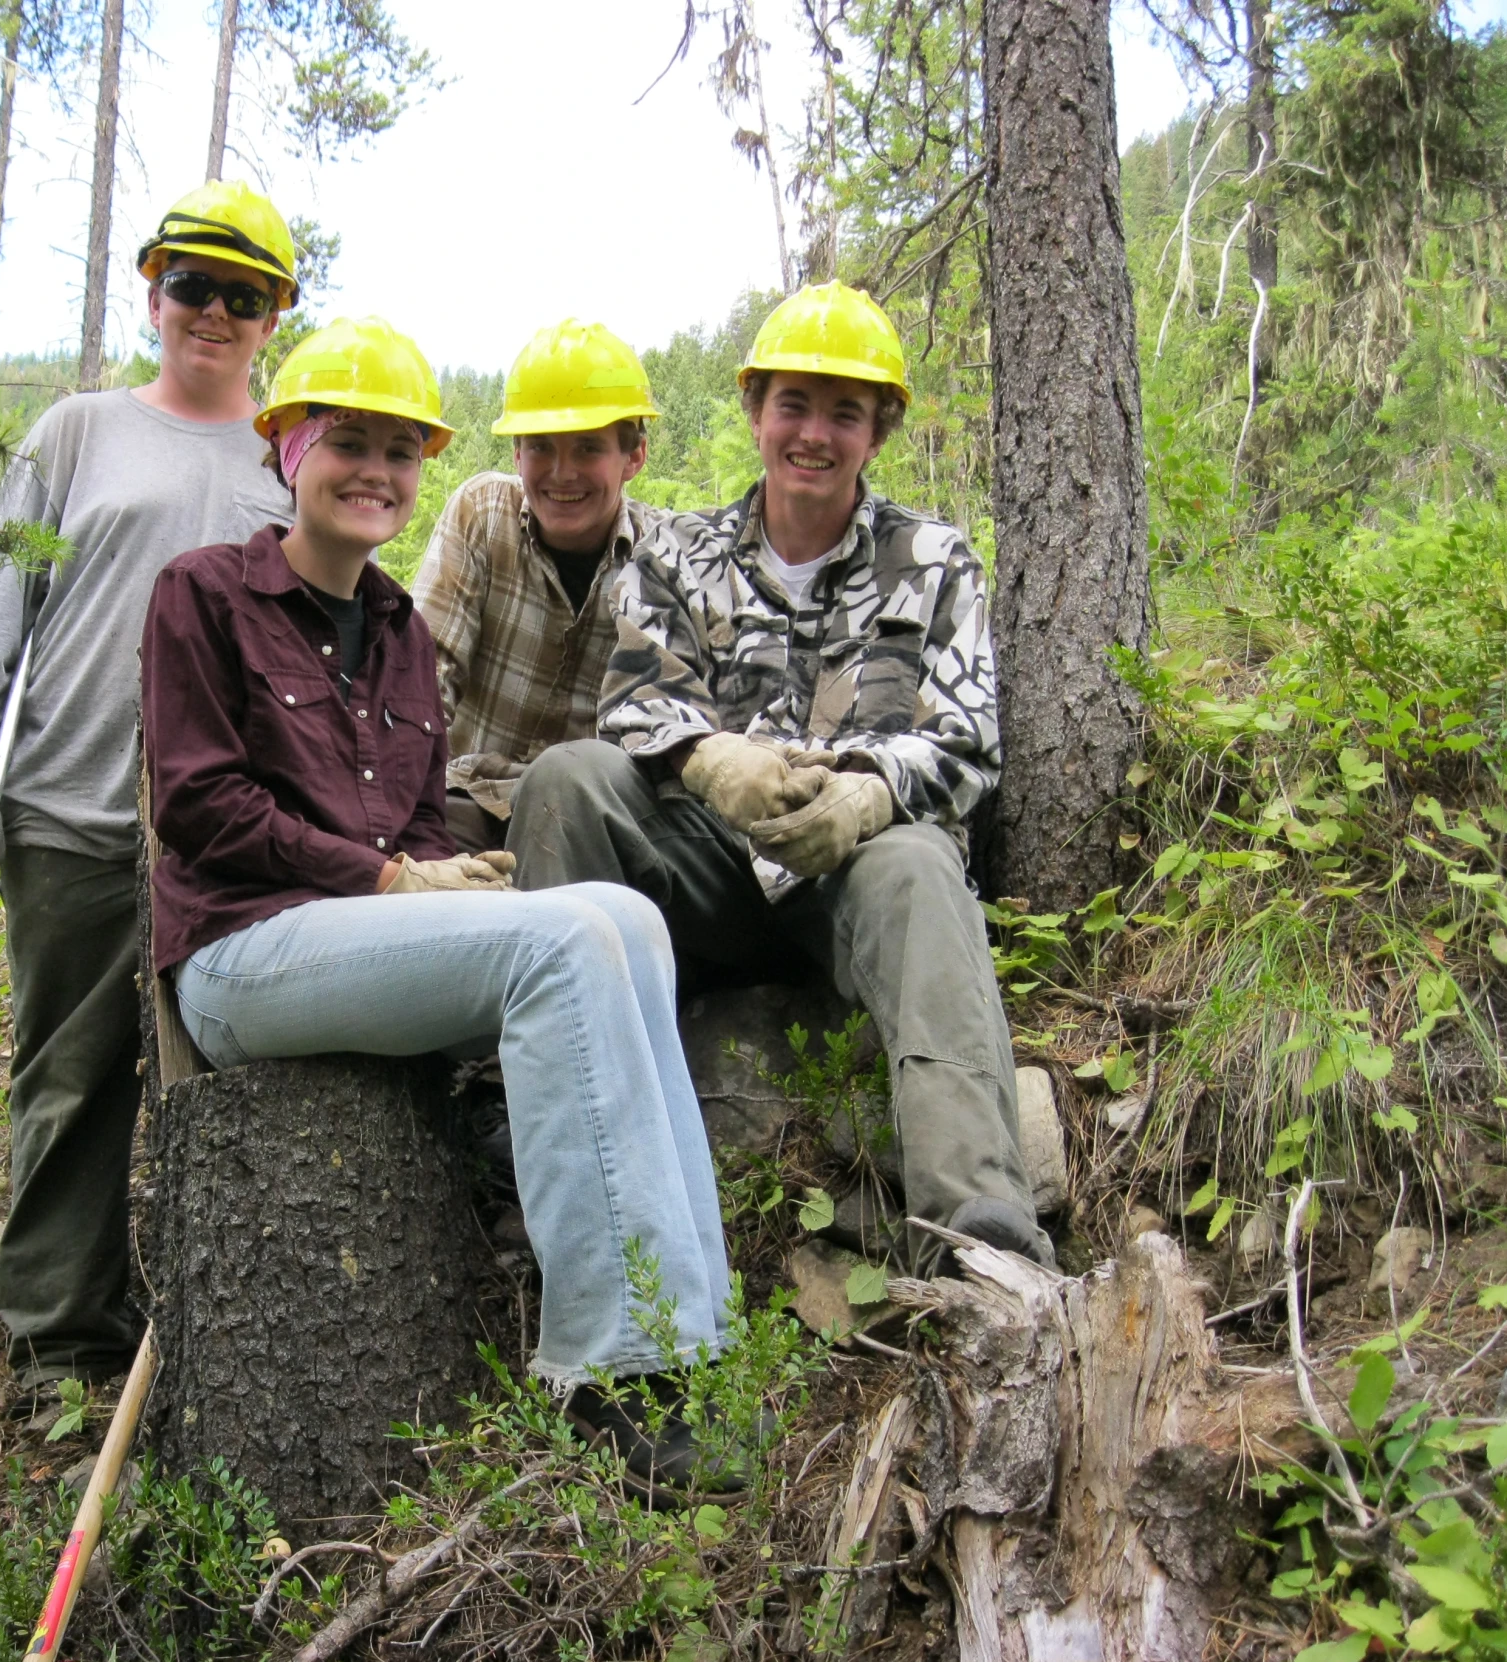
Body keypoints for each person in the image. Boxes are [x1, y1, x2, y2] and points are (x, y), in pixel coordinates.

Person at [140, 317, 740, 1493]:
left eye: (400, 451)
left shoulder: (405, 632)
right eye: (345, 441)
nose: (373, 470)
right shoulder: (205, 593)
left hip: (351, 944)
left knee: (630, 921)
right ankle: (610, 1378)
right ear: (285, 450)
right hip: (239, 954)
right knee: (566, 945)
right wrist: (386, 879)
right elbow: (199, 805)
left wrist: (438, 873)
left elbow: (417, 825)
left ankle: (695, 1338)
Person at [507, 282, 1052, 1270]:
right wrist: (714, 763)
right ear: (754, 409)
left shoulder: (930, 560)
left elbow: (969, 739)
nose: (812, 434)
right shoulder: (676, 555)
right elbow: (631, 705)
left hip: (856, 877)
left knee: (923, 867)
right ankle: (561, 1186)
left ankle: (979, 1235)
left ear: (878, 428)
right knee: (565, 783)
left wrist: (871, 793)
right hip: (707, 872)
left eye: (843, 412)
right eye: (791, 405)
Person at [0, 180, 302, 1416]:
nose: (214, 312)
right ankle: (61, 1344)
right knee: (73, 1078)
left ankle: (215, 1327)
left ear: (272, 318)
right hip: (69, 807)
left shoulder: (289, 461)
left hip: (224, 837)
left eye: (244, 297)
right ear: (152, 292)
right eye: (192, 284)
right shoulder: (76, 432)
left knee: (222, 1083)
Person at [411, 321, 663, 854]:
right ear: (516, 455)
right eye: (541, 448)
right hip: (464, 795)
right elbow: (425, 677)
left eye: (588, 449)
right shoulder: (482, 515)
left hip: (581, 816)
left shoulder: (661, 557)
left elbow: (660, 724)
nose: (561, 472)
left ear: (634, 457)